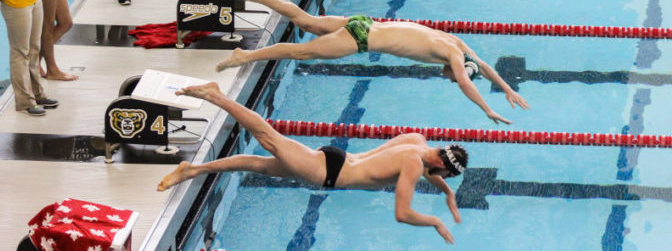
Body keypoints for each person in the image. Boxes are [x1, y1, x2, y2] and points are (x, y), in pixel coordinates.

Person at [157, 82, 468, 243]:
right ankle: (217, 96)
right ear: (443, 166)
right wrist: (436, 221)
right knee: (268, 139)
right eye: (444, 176)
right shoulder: (414, 165)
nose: (437, 177)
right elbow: (402, 214)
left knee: (259, 164)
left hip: (336, 158)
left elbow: (429, 171)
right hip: (326, 173)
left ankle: (192, 170)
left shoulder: (417, 141)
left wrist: (448, 194)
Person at [215, 0, 529, 124]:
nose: (448, 78)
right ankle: (245, 56)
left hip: (365, 22)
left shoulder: (457, 44)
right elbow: (466, 81)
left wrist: (507, 88)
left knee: (306, 22)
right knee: (302, 52)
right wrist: (487, 109)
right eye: (451, 76)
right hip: (361, 37)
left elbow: (484, 66)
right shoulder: (455, 58)